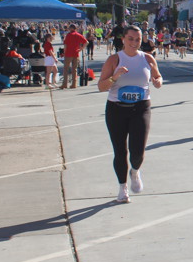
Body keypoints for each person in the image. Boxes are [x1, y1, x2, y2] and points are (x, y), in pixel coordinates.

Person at [97, 25, 163, 203]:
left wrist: (158, 81)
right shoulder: (114, 59)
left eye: (138, 39)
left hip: (141, 108)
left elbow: (158, 76)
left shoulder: (147, 58)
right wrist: (115, 77)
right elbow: (101, 86)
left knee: (138, 151)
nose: (134, 42)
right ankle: (122, 188)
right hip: (116, 109)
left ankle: (135, 171)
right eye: (131, 39)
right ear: (123, 39)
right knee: (120, 151)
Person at [59, 24, 88, 89]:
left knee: (66, 69)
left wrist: (64, 52)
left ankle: (65, 84)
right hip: (76, 53)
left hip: (68, 53)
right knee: (74, 69)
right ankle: (74, 84)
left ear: (71, 28)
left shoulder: (68, 35)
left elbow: (65, 44)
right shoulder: (78, 35)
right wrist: (81, 49)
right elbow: (86, 42)